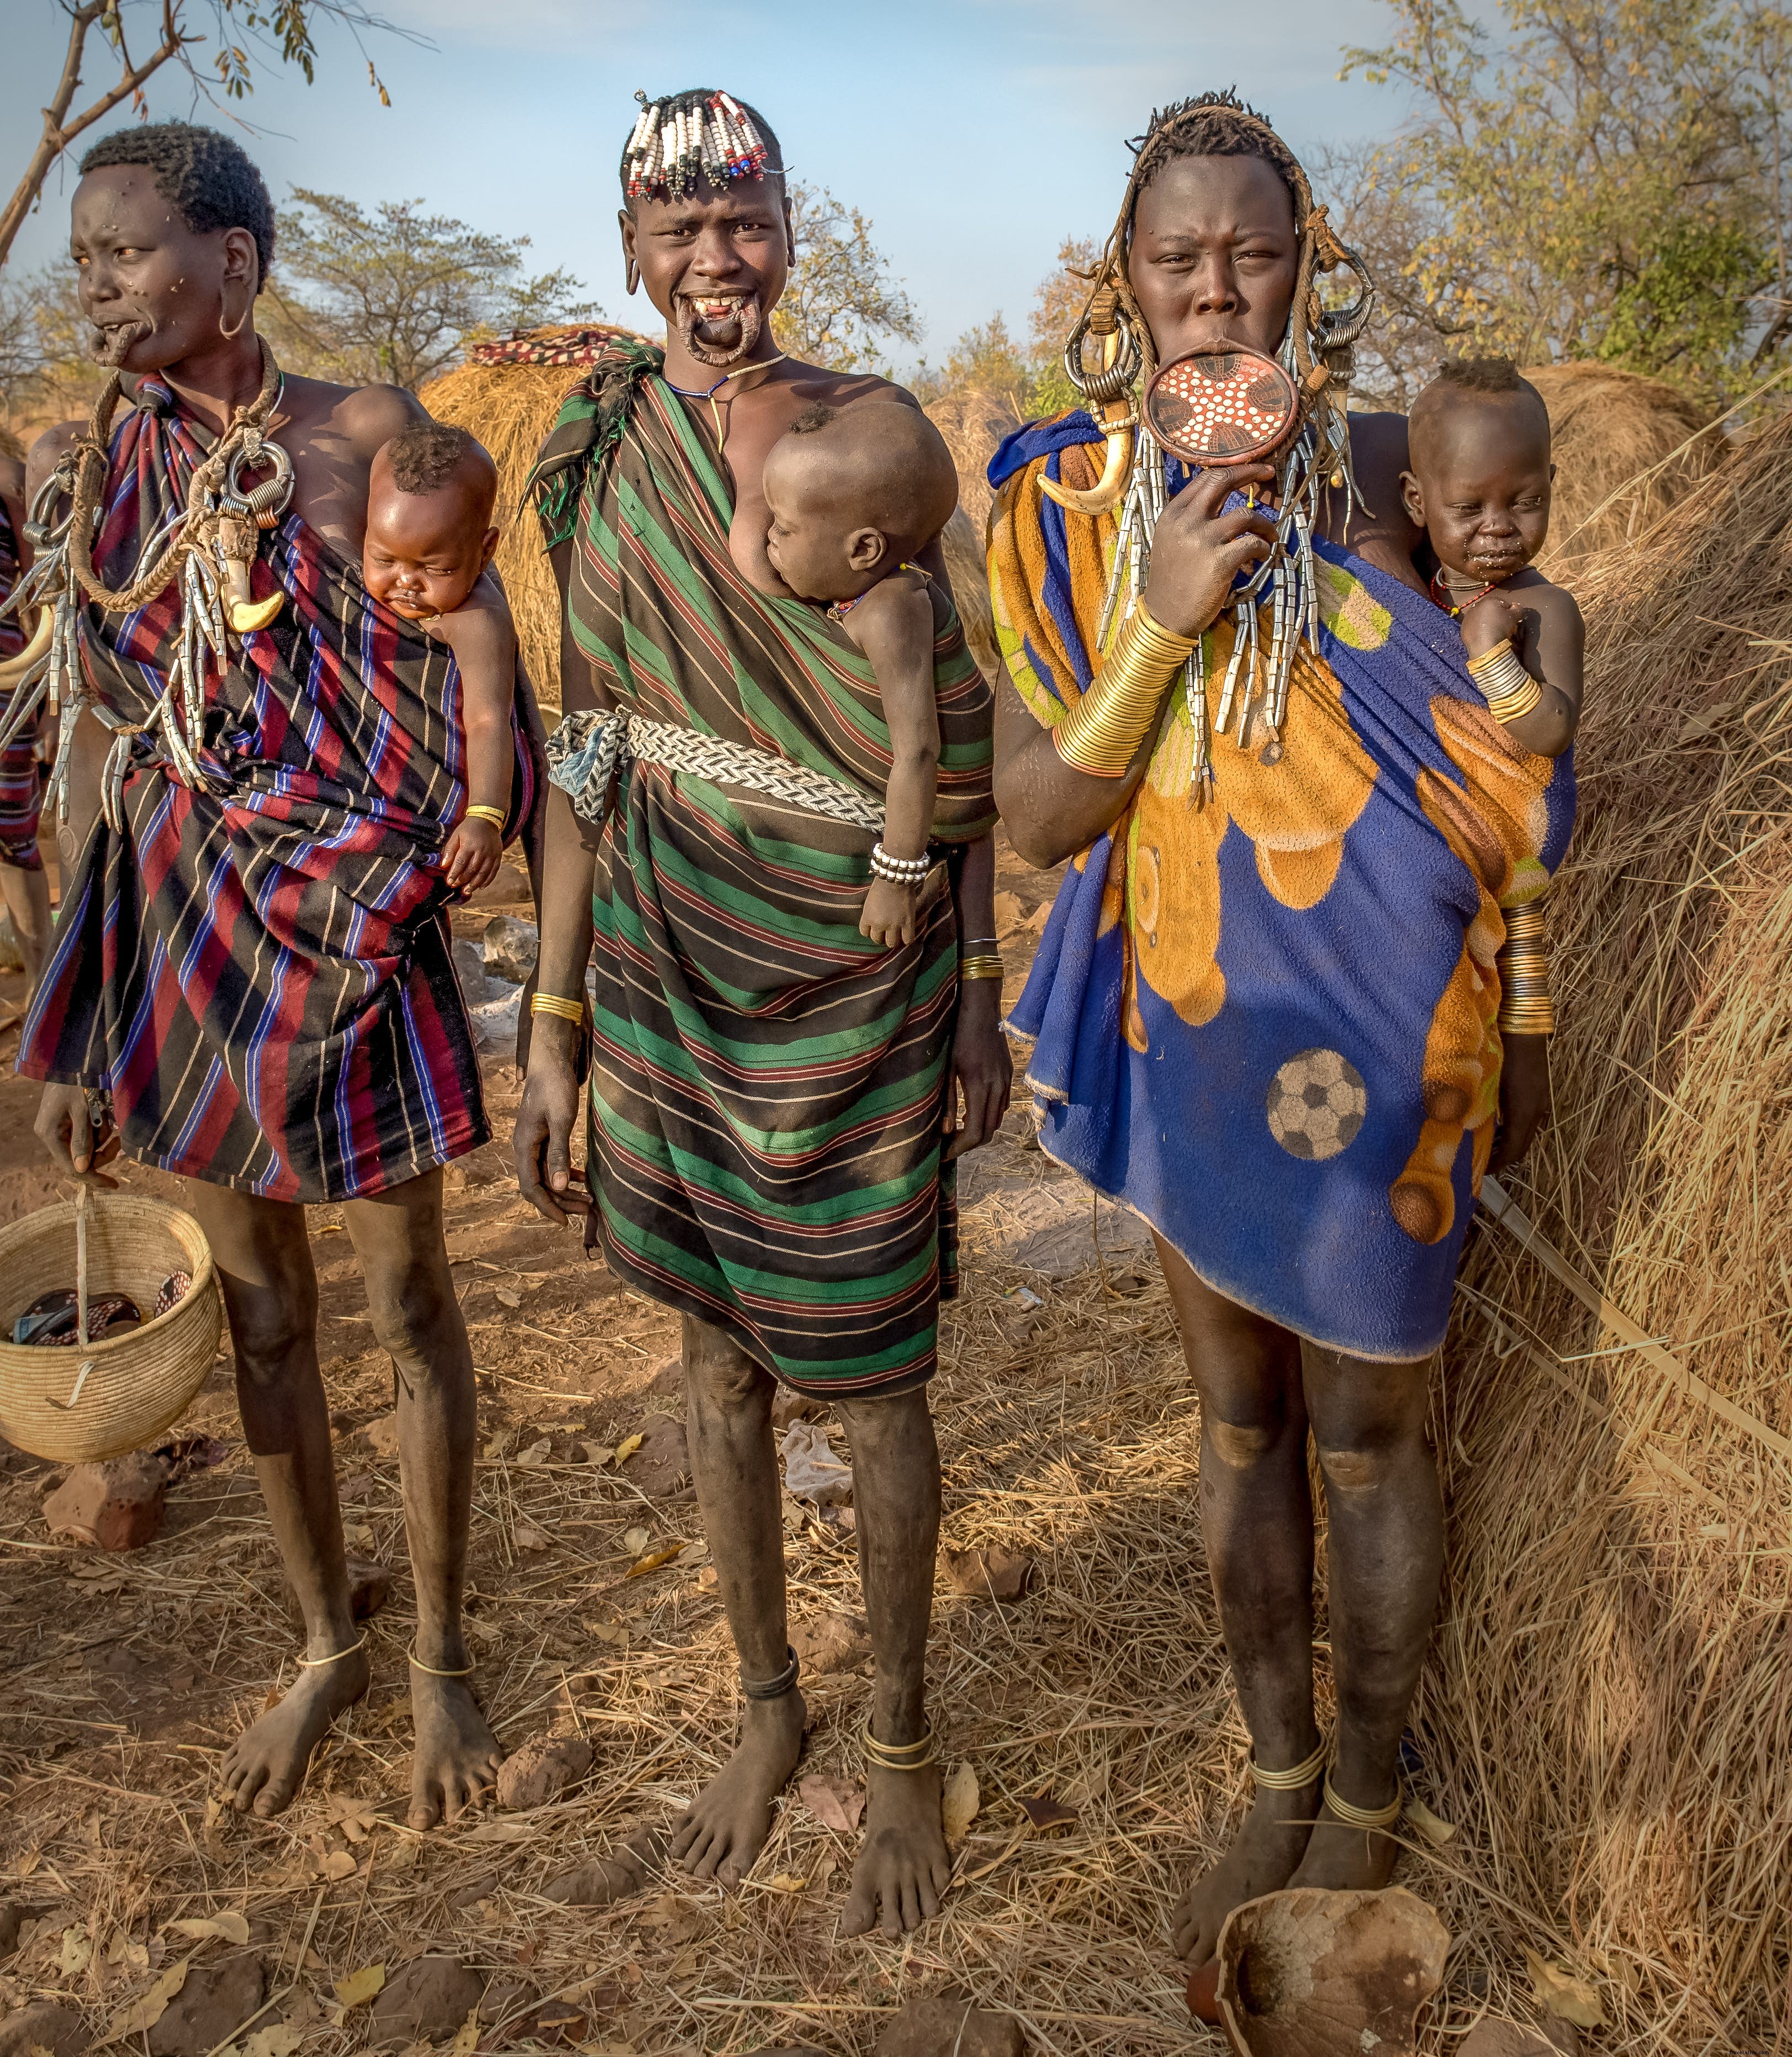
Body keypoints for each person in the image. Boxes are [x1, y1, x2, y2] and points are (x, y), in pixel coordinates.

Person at [985, 92, 1576, 1985]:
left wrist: (1532, 980)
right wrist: (1159, 618)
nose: (1216, 292)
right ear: (1123, 281)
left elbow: (1529, 712)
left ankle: (1370, 1799)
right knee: (1237, 1429)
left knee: (1371, 1431)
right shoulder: (1065, 505)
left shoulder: (1408, 465)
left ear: (1304, 257)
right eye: (1179, 260)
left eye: (1252, 251)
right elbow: (1034, 818)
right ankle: (1272, 1763)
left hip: (1396, 1045)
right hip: (1198, 1020)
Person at [512, 86, 1009, 1938]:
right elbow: (587, 742)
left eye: (744, 220)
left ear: (791, 231)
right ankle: (763, 1707)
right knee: (712, 1363)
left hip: (859, 984)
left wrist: (968, 992)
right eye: (676, 225)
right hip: (658, 962)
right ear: (627, 248)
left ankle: (891, 1741)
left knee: (875, 1386)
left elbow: (941, 737)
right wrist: (553, 1015)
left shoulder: (853, 444)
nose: (712, 254)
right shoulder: (595, 455)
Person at [20, 121, 541, 1828]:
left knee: (404, 1303)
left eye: (122, 252)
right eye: (81, 255)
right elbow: (102, 741)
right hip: (181, 924)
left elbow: (480, 672)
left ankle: (448, 1646)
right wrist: (79, 1011)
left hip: (354, 925)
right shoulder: (102, 470)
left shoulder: (373, 441)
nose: (89, 281)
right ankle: (327, 1635)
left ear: (233, 264)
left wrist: (457, 837)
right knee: (259, 1311)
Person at [731, 400, 961, 946]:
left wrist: (895, 877)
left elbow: (917, 751)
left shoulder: (890, 611)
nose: (768, 536)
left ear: (863, 548)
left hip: (880, 859)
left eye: (784, 528)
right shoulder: (852, 597)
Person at [363, 421, 517, 895]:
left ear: (485, 550)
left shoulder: (477, 621)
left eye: (436, 568)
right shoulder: (344, 582)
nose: (406, 582)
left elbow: (490, 719)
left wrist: (485, 818)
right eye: (384, 560)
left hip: (427, 813)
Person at [1401, 357, 1582, 759]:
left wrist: (1488, 651)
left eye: (1528, 502)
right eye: (1468, 508)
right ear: (1417, 502)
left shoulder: (1544, 606)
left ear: (1550, 487)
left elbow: (1552, 733)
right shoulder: (1412, 576)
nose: (1499, 526)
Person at [0, 444, 52, 989]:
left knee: (14, 836)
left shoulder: (11, 479)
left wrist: (54, 705)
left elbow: (42, 594)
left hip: (7, 686)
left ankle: (45, 992)